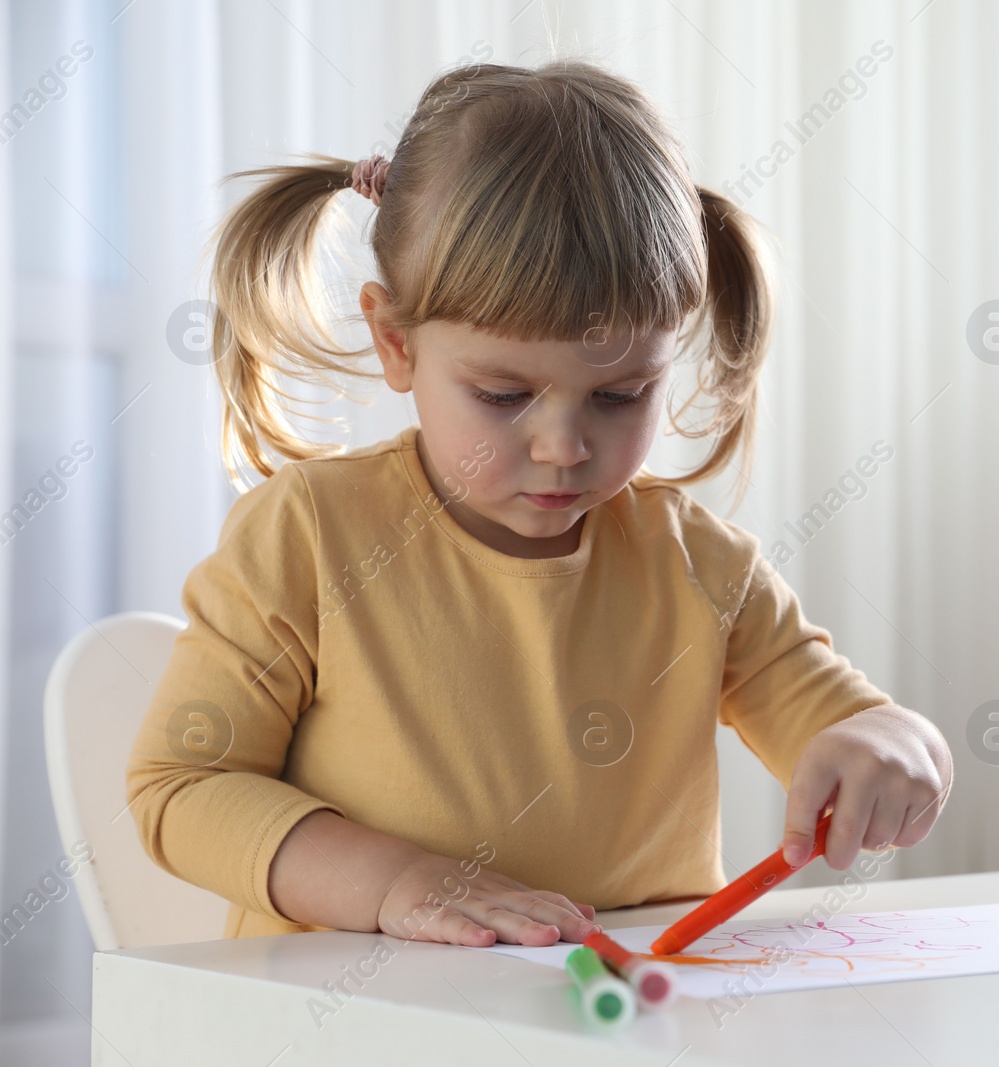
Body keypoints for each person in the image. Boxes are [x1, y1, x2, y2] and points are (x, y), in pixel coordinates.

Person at [126, 58, 952, 948]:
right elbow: (182, 787)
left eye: (619, 395)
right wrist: (395, 880)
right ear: (395, 342)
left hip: (621, 1021)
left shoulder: (703, 567)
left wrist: (896, 746)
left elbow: (842, 719)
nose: (564, 447)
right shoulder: (309, 534)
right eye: (503, 395)